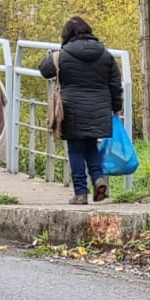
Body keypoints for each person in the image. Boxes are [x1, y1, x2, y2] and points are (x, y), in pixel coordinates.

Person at [38, 16, 123, 204]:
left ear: (67, 35)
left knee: (75, 149)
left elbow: (44, 70)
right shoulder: (106, 55)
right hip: (99, 109)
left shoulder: (63, 55)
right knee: (91, 146)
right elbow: (115, 85)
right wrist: (116, 107)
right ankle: (98, 178)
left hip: (72, 109)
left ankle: (80, 192)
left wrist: (53, 54)